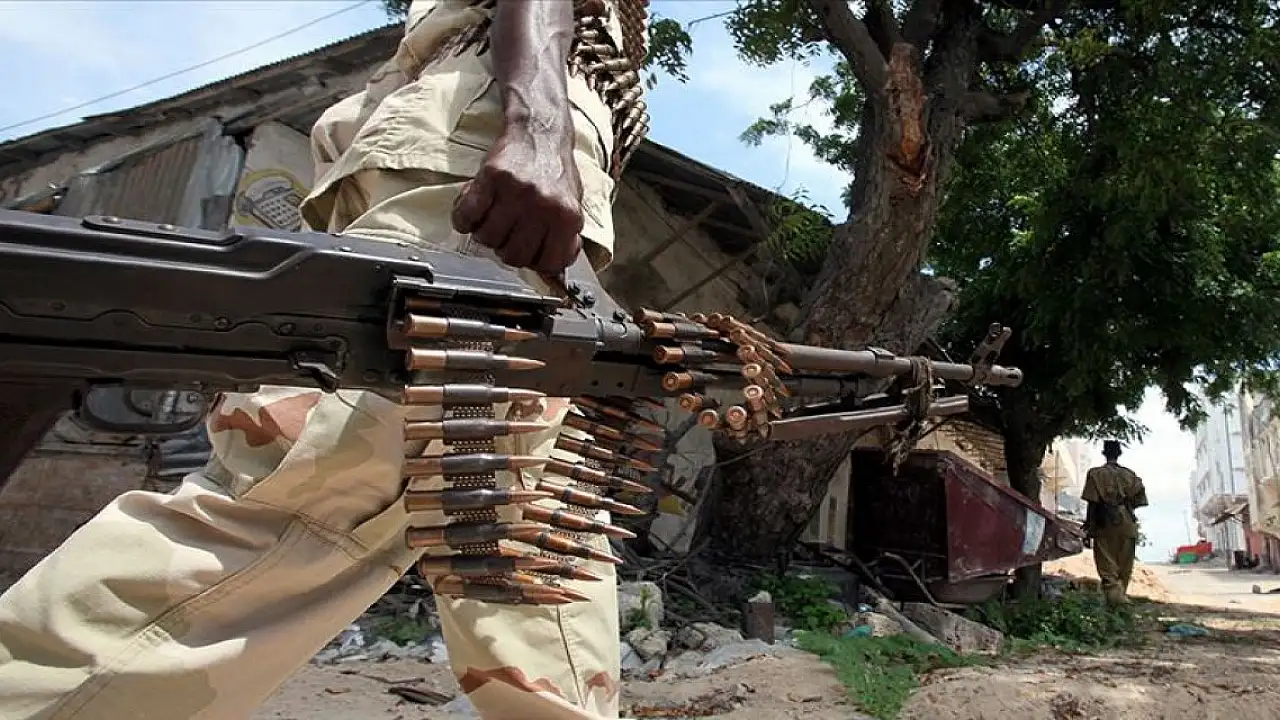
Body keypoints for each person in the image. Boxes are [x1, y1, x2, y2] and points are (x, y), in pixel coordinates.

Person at [0, 1, 647, 718]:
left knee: (529, 528)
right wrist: (539, 130)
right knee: (326, 486)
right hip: (492, 130)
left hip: (477, 124)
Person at [1081, 440, 1149, 606]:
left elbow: (1092, 503)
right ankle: (1120, 600)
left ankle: (1115, 602)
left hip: (1104, 523)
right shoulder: (1130, 475)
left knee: (1107, 567)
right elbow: (1140, 499)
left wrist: (1089, 527)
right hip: (1127, 522)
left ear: (1104, 453)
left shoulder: (1095, 474)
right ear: (1119, 454)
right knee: (1124, 567)